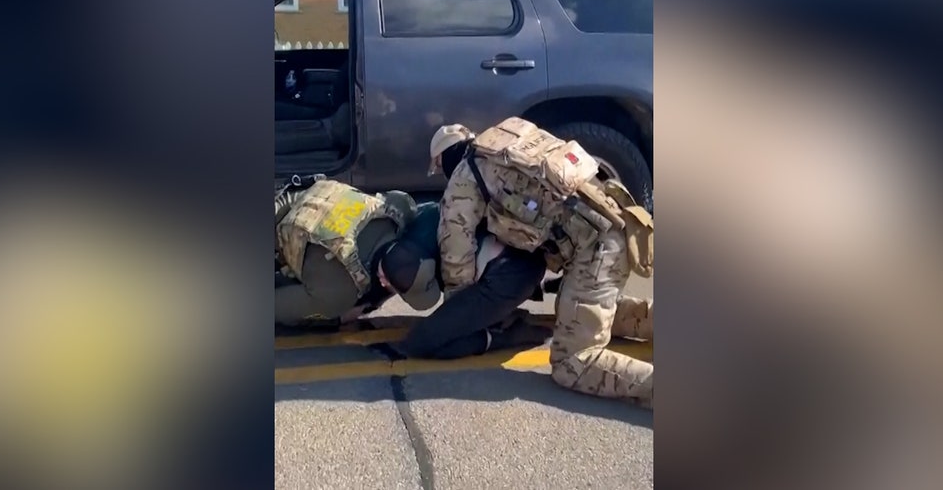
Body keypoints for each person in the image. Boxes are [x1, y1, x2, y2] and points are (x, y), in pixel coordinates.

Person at [432, 118, 656, 408]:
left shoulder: (465, 178)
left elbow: (455, 255)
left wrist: (460, 314)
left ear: (443, 159)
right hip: (618, 223)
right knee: (583, 311)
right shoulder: (510, 142)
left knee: (573, 363)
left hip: (595, 249)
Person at [382, 197, 554, 360]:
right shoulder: (421, 220)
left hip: (510, 275)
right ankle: (496, 318)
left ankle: (506, 334)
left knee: (421, 343)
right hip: (511, 259)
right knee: (447, 324)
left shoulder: (442, 245)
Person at [274, 178, 424, 327]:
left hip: (295, 197)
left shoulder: (398, 210)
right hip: (282, 234)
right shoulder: (340, 295)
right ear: (384, 282)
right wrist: (337, 319)